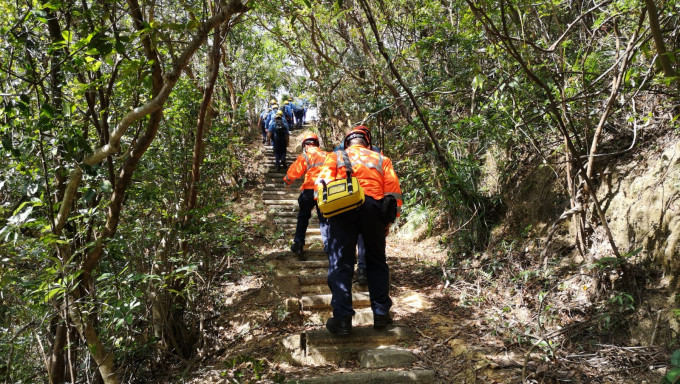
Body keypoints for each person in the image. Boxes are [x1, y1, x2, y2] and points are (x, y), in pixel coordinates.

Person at [315, 128, 403, 336]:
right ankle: (381, 315)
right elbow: (393, 192)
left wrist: (326, 214)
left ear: (347, 143)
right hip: (373, 208)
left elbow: (321, 186)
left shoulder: (335, 157)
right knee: (376, 262)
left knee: (341, 263)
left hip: (343, 208)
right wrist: (389, 221)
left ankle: (343, 319)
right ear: (367, 142)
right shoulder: (381, 159)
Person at [333, 125, 382, 285]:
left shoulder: (339, 152)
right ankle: (362, 270)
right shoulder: (376, 153)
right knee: (364, 238)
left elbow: (327, 178)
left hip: (345, 199)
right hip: (371, 199)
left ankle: (343, 297)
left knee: (345, 242)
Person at [284, 133, 329, 256]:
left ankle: (298, 244)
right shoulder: (327, 155)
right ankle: (330, 246)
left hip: (308, 190)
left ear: (305, 145)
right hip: (324, 190)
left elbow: (294, 172)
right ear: (317, 143)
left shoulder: (305, 156)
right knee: (325, 219)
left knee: (303, 217)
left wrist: (287, 181)